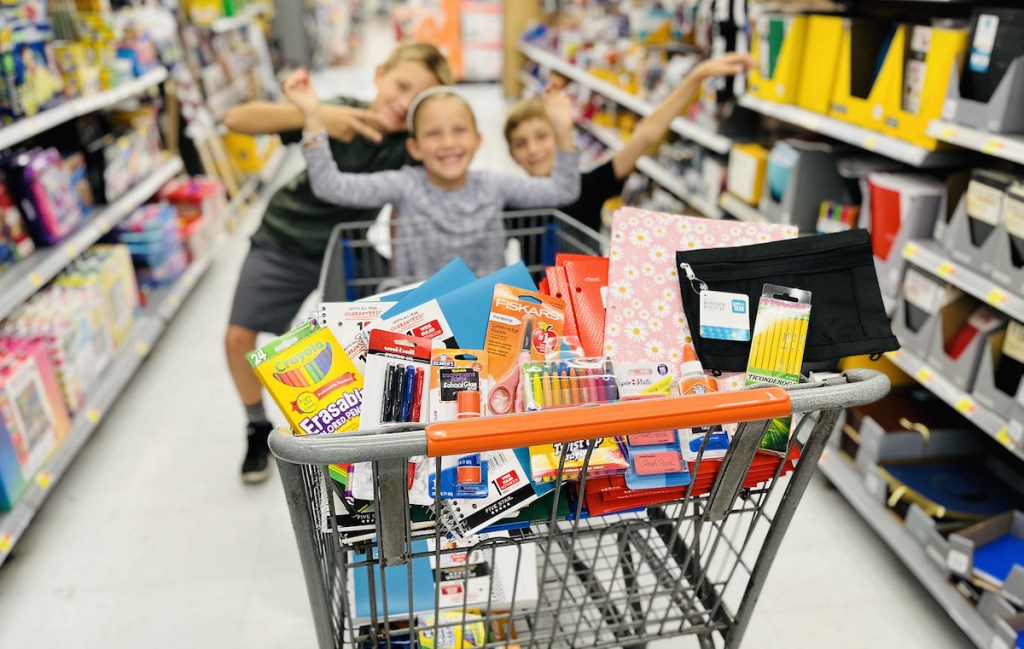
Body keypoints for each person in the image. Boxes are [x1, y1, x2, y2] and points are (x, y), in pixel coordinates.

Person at [224, 42, 452, 484]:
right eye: (401, 85)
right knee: (238, 338)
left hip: (348, 247)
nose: (403, 102)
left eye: (416, 98)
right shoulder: (340, 109)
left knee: (371, 341)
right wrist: (318, 117)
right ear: (380, 72)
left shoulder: (407, 145)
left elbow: (406, 210)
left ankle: (356, 431)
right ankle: (256, 427)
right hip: (284, 238)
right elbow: (237, 120)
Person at [280, 70, 582, 278]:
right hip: (419, 322)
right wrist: (312, 117)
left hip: (488, 318)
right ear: (414, 147)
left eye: (459, 131)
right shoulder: (404, 185)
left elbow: (563, 190)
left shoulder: (493, 185)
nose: (449, 143)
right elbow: (331, 186)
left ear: (477, 140)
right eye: (434, 134)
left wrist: (563, 130)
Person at [504, 52, 755, 230]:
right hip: (534, 303)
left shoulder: (590, 185)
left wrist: (696, 76)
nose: (533, 149)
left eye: (542, 136)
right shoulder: (514, 199)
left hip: (588, 300)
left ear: (559, 133)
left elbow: (646, 134)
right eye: (520, 143)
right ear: (512, 154)